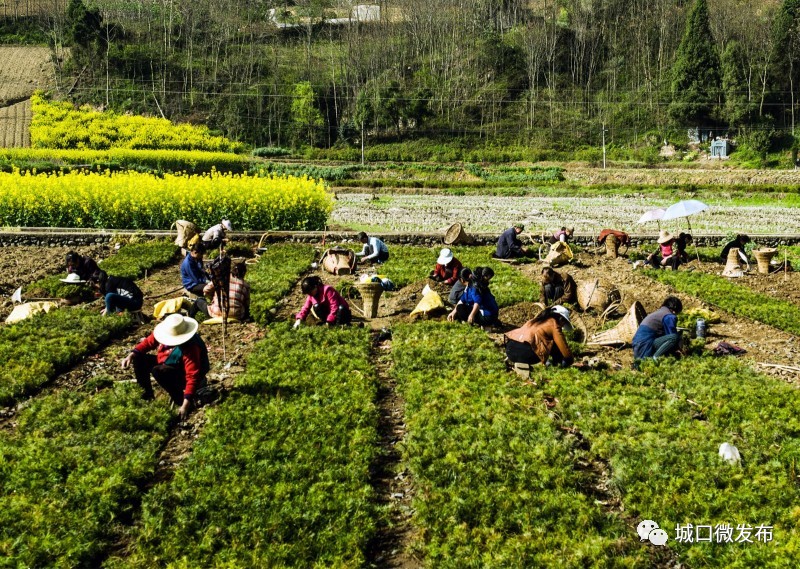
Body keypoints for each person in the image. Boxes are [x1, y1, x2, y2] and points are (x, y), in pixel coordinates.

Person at [120, 314, 209, 420]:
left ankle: (178, 399)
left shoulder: (191, 348)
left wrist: (185, 404)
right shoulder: (166, 332)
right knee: (139, 358)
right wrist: (131, 355)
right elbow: (148, 342)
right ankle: (147, 397)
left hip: (183, 373)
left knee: (158, 371)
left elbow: (192, 376)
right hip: (169, 363)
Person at [504, 305, 574, 367]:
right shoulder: (554, 325)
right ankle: (558, 363)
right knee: (554, 343)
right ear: (560, 318)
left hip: (510, 350)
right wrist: (569, 360)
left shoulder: (535, 320)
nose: (563, 325)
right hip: (524, 354)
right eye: (564, 322)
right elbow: (564, 349)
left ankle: (554, 362)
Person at [632, 296, 683, 368]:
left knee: (641, 365)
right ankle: (655, 359)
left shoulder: (659, 312)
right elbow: (672, 335)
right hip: (646, 343)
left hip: (638, 343)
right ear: (674, 310)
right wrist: (679, 346)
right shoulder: (669, 316)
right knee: (674, 338)